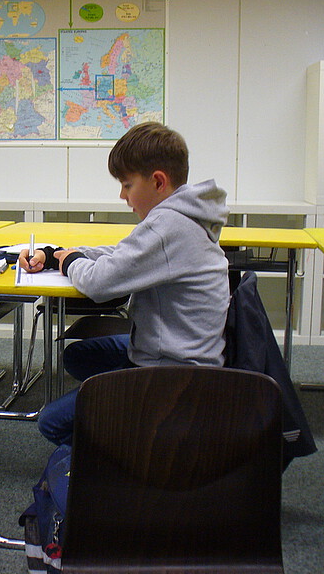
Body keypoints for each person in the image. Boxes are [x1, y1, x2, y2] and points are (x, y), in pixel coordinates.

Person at [19, 121, 230, 446]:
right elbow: (121, 255)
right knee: (78, 356)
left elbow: (99, 283)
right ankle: (126, 419)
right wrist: (56, 254)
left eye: (127, 185)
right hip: (176, 352)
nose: (122, 195)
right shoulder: (180, 216)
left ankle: (132, 443)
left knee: (52, 423)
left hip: (175, 374)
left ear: (158, 181)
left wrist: (70, 262)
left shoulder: (167, 226)